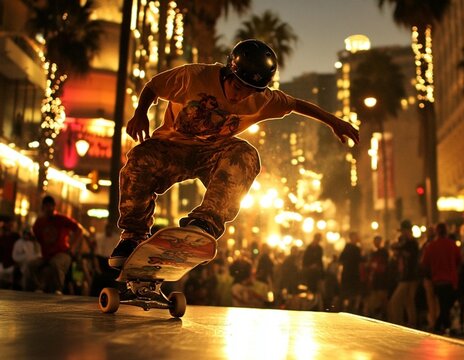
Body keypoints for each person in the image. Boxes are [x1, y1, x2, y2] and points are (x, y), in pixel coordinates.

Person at [108, 39, 359, 268]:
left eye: (250, 91)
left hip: (213, 153)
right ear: (229, 73)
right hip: (173, 148)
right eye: (238, 88)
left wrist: (334, 122)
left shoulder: (262, 99)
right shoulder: (194, 76)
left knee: (245, 154)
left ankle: (205, 223)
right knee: (138, 160)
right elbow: (154, 86)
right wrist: (140, 112)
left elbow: (296, 105)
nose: (241, 96)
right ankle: (133, 235)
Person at [27, 195, 84, 294]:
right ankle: (39, 287)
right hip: (47, 256)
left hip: (62, 253)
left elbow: (79, 229)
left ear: (54, 207)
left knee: (55, 264)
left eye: (50, 206)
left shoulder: (61, 219)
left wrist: (72, 247)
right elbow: (37, 237)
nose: (48, 208)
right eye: (46, 206)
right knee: (31, 265)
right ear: (43, 207)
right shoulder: (39, 222)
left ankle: (58, 289)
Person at [424, 223, 461, 335]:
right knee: (447, 305)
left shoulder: (431, 246)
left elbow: (425, 262)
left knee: (443, 304)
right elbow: (459, 260)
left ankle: (441, 326)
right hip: (451, 280)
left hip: (437, 280)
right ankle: (441, 326)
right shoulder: (452, 245)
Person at [389, 220, 420, 328]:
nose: (401, 233)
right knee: (408, 301)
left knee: (395, 301)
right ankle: (411, 324)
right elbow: (394, 247)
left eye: (403, 231)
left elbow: (398, 249)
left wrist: (400, 248)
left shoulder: (411, 243)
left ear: (407, 231)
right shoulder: (407, 242)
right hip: (407, 276)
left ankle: (398, 324)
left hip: (409, 276)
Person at [339, 231, 363, 313]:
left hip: (352, 273)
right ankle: (347, 308)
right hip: (350, 273)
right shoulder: (351, 247)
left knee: (350, 293)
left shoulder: (354, 247)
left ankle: (348, 308)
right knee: (348, 292)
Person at [0, 215, 20, 288]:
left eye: (11, 225)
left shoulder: (16, 236)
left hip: (13, 263)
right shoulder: (2, 237)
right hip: (3, 264)